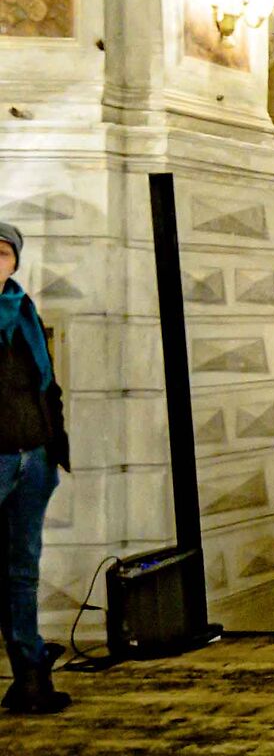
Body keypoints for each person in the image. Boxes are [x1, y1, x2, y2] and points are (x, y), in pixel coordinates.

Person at [0, 220, 69, 714]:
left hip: (33, 458)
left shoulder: (23, 311)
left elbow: (46, 385)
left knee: (21, 572)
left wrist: (51, 447)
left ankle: (29, 678)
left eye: (4, 253)